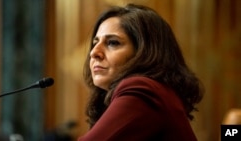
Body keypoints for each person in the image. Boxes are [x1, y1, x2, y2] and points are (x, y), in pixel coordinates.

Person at [79, 3, 204, 141]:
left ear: (144, 52)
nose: (94, 52)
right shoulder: (156, 90)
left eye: (113, 43)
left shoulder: (143, 89)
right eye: (95, 43)